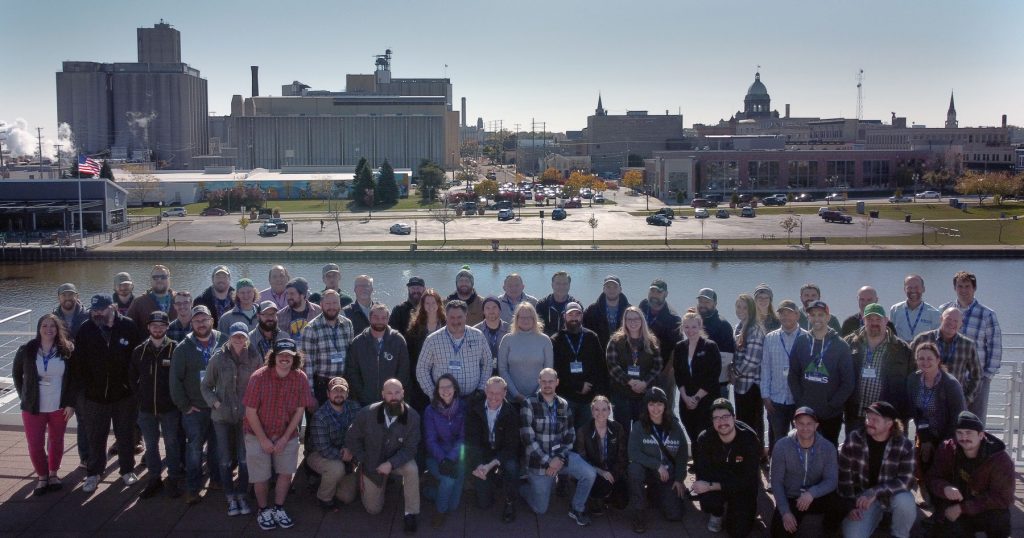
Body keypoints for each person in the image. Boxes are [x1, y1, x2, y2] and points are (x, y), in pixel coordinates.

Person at [242, 338, 316, 531]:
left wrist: (284, 438)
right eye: (281, 355)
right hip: (257, 433)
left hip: (286, 433)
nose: (285, 359)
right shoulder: (258, 377)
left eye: (289, 356)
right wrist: (263, 440)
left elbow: (300, 410)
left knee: (285, 473)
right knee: (261, 476)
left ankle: (278, 507)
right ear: (273, 357)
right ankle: (263, 509)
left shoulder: (300, 377)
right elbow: (250, 412)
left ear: (295, 358)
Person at [72, 293, 142, 493]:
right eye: (94, 310)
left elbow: (136, 359)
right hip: (95, 397)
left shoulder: (128, 326)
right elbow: (79, 363)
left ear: (112, 307)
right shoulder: (86, 329)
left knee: (126, 436)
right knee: (95, 437)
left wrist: (132, 386)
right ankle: (93, 473)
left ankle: (127, 470)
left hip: (124, 395)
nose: (97, 313)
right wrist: (86, 389)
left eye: (101, 309)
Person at [519, 368, 596, 526]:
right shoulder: (528, 404)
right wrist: (549, 461)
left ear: (557, 382)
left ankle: (577, 508)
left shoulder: (563, 404)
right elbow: (528, 440)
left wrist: (559, 458)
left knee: (589, 473)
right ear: (539, 382)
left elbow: (570, 435)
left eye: (551, 381)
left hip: (561, 459)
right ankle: (524, 487)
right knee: (540, 509)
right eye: (544, 381)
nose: (547, 385)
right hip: (539, 463)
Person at [202, 322, 263, 517]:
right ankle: (230, 496)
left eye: (242, 336)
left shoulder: (254, 357)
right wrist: (216, 403)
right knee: (225, 459)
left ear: (247, 338)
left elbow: (260, 385)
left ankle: (242, 494)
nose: (239, 339)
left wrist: (255, 408)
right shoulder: (218, 358)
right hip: (222, 417)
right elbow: (206, 386)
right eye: (235, 336)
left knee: (244, 459)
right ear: (229, 337)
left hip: (245, 417)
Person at [346, 378, 422, 534]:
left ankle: (411, 513)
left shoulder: (413, 417)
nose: (393, 396)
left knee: (412, 469)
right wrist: (363, 458)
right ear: (383, 394)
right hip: (372, 464)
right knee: (373, 509)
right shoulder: (367, 413)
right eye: (389, 393)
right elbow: (351, 438)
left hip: (396, 462)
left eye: (397, 392)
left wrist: (391, 464)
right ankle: (366, 477)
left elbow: (410, 449)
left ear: (403, 393)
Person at [13, 313, 76, 496]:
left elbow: (73, 379)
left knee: (56, 442)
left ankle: (54, 474)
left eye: (52, 326)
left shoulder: (67, 350)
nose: (49, 329)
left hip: (59, 406)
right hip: (33, 407)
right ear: (39, 329)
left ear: (58, 330)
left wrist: (70, 403)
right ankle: (42, 476)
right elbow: (17, 374)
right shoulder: (27, 349)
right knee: (35, 444)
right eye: (44, 326)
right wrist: (24, 395)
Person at [170, 304, 227, 504]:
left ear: (212, 320)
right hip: (195, 409)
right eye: (197, 320)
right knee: (194, 449)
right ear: (191, 323)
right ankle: (192, 488)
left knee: (216, 447)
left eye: (204, 320)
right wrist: (185, 406)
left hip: (219, 407)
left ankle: (216, 481)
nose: (201, 324)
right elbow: (175, 381)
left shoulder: (224, 341)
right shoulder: (183, 348)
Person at [926, 411, 1014, 538]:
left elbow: (1003, 497)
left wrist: (963, 507)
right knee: (948, 531)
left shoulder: (999, 459)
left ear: (981, 435)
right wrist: (944, 488)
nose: (964, 437)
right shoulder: (947, 450)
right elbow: (932, 478)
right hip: (954, 508)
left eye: (969, 432)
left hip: (985, 509)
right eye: (959, 433)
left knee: (1000, 520)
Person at [838, 401, 917, 538]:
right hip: (863, 497)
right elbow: (845, 476)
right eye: (868, 417)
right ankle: (878, 517)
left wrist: (876, 491)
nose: (869, 422)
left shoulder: (904, 445)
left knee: (906, 502)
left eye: (875, 419)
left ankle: (899, 534)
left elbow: (907, 481)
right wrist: (850, 505)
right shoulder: (854, 439)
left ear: (889, 424)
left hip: (891, 495)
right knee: (852, 535)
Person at [130, 311, 184, 500]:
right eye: (154, 325)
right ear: (148, 327)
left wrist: (177, 401)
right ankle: (154, 479)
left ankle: (173, 479)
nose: (158, 329)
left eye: (162, 326)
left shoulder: (175, 349)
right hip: (146, 410)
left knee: (172, 444)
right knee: (151, 446)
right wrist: (139, 399)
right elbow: (131, 378)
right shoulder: (139, 351)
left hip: (169, 409)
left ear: (167, 327)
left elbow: (182, 378)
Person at [768, 406, 845, 537]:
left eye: (809, 423)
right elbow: (776, 482)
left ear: (816, 426)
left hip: (816, 495)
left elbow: (831, 480)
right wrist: (785, 512)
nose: (805, 428)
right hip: (792, 497)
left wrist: (812, 493)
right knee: (778, 532)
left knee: (840, 504)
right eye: (801, 423)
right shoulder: (781, 446)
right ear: (794, 424)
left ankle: (828, 531)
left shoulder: (828, 447)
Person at [690, 398, 761, 537]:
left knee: (738, 531)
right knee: (707, 499)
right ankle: (717, 512)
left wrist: (712, 485)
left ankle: (737, 510)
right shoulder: (704, 439)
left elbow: (747, 480)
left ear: (734, 418)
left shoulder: (750, 440)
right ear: (712, 421)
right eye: (716, 418)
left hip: (742, 487)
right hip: (719, 481)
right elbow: (703, 472)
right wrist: (708, 486)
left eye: (725, 416)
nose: (721, 422)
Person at [788, 300, 854, 447]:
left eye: (821, 315)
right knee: (802, 448)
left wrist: (832, 405)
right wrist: (800, 401)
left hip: (830, 414)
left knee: (829, 449)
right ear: (808, 318)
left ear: (828, 317)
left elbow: (848, 383)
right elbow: (793, 375)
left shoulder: (841, 346)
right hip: (805, 413)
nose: (817, 319)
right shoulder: (801, 342)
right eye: (813, 315)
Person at [939, 271, 1001, 423]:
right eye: (960, 286)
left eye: (967, 286)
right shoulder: (944, 310)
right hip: (948, 376)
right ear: (955, 288)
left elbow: (995, 347)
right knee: (946, 418)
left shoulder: (987, 314)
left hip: (977, 378)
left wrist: (987, 376)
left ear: (974, 288)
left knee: (975, 421)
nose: (964, 290)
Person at [843, 303, 914, 434]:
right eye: (870, 319)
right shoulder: (849, 343)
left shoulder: (902, 349)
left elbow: (911, 385)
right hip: (856, 416)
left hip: (887, 418)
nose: (874, 323)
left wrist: (904, 414)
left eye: (878, 319)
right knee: (856, 453)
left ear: (886, 321)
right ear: (863, 320)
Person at [626, 388, 687, 533]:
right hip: (648, 471)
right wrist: (657, 465)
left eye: (660, 404)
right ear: (646, 406)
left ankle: (655, 493)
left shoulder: (675, 426)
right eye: (651, 404)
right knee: (634, 469)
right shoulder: (639, 426)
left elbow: (682, 455)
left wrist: (679, 479)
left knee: (675, 515)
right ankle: (638, 512)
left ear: (665, 405)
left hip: (668, 474)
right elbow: (632, 453)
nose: (655, 408)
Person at [907, 342, 965, 481]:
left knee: (941, 466)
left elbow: (957, 419)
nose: (925, 362)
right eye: (921, 358)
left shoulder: (950, 384)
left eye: (929, 358)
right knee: (921, 463)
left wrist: (941, 445)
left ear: (938, 360)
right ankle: (923, 488)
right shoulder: (913, 380)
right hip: (925, 431)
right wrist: (926, 439)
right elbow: (917, 414)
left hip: (949, 434)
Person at [465, 377, 520, 522]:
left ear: (505, 393)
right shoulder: (474, 409)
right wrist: (479, 465)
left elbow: (511, 445)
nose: (494, 397)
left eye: (498, 393)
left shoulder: (512, 413)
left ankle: (510, 501)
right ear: (485, 391)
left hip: (503, 453)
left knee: (512, 467)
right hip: (483, 452)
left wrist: (491, 464)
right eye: (490, 393)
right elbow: (472, 441)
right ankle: (491, 479)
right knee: (484, 504)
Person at [416, 300, 491, 399]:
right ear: (446, 316)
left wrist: (481, 389)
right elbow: (422, 369)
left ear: (466, 315)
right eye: (452, 317)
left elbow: (487, 363)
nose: (456, 321)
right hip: (444, 400)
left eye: (459, 317)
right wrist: (433, 394)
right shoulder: (432, 340)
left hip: (473, 398)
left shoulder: (478, 336)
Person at [305, 377, 361, 511]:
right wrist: (345, 456)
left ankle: (326, 482)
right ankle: (324, 498)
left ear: (347, 394)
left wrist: (351, 452)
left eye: (343, 391)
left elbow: (361, 435)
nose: (339, 394)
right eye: (335, 391)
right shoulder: (320, 416)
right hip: (318, 454)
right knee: (336, 468)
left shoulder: (355, 408)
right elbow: (324, 449)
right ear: (328, 394)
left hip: (347, 454)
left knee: (346, 497)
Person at [910, 307, 982, 407]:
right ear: (941, 319)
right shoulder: (923, 339)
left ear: (961, 324)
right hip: (925, 400)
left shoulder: (968, 345)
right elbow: (909, 366)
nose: (952, 323)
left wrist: (966, 400)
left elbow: (977, 375)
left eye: (956, 321)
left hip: (954, 401)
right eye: (948, 319)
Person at [552, 301, 607, 429]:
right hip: (565, 398)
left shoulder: (591, 337)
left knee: (586, 435)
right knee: (564, 433)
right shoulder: (556, 340)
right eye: (570, 315)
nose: (574, 318)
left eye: (577, 314)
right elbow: (556, 371)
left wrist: (591, 387)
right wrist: (577, 386)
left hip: (588, 398)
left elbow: (600, 367)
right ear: (564, 316)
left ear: (582, 316)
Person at [606, 306, 662, 430]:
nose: (633, 322)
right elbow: (612, 366)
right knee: (622, 431)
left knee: (642, 431)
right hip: (621, 396)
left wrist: (644, 383)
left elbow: (657, 366)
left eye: (636, 319)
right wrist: (630, 382)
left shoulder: (652, 342)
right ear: (624, 321)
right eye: (629, 319)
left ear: (642, 320)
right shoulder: (615, 341)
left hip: (644, 396)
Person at [761, 299, 807, 450]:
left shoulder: (807, 338)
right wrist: (765, 396)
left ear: (797, 315)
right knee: (778, 439)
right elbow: (765, 368)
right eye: (782, 313)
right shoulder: (770, 338)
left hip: (798, 399)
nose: (786, 317)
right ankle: (776, 469)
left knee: (801, 437)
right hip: (776, 399)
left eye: (789, 313)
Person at [423, 374, 467, 528]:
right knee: (448, 480)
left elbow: (463, 438)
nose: (446, 390)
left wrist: (451, 458)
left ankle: (429, 491)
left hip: (458, 456)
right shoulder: (430, 410)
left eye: (449, 386)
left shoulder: (463, 407)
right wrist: (443, 459)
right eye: (442, 387)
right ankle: (439, 513)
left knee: (453, 506)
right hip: (436, 456)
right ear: (437, 390)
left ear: (455, 388)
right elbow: (430, 440)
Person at [346, 303, 410, 406]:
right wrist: (362, 394)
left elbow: (403, 371)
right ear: (370, 318)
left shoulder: (398, 341)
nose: (380, 321)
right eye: (376, 317)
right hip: (365, 402)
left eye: (383, 318)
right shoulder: (358, 342)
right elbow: (352, 371)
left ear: (388, 319)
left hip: (391, 400)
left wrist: (394, 393)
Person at [299, 290, 354, 406]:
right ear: (321, 305)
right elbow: (308, 366)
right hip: (321, 385)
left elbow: (351, 356)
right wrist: (310, 395)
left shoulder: (347, 324)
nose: (331, 307)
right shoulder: (311, 328)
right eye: (328, 304)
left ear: (339, 304)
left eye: (335, 303)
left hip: (343, 384)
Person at [674, 311, 722, 443]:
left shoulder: (710, 346)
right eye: (687, 327)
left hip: (706, 399)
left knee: (705, 436)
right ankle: (696, 463)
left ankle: (705, 464)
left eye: (694, 327)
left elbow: (713, 376)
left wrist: (696, 398)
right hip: (686, 400)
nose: (690, 330)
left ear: (700, 327)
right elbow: (678, 375)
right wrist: (685, 397)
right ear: (682, 328)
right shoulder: (679, 347)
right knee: (692, 433)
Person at [575, 395, 628, 516]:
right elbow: (582, 459)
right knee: (597, 509)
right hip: (594, 471)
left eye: (604, 409)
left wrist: (614, 473)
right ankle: (593, 496)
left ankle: (608, 493)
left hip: (613, 470)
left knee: (621, 503)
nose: (600, 413)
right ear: (592, 411)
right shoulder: (583, 431)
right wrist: (600, 472)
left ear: (609, 410)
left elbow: (622, 456)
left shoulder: (617, 428)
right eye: (596, 409)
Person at [637, 279, 682, 408]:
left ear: (666, 294)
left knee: (664, 407)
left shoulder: (673, 318)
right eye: (652, 291)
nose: (654, 295)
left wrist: (666, 372)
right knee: (644, 406)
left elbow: (676, 350)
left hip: (664, 370)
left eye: (659, 292)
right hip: (643, 368)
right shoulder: (643, 306)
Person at [498, 302, 553, 404]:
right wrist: (516, 394)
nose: (525, 320)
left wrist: (536, 395)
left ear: (534, 319)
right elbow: (503, 369)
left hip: (539, 399)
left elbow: (548, 371)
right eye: (522, 317)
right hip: (511, 399)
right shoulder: (507, 339)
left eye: (529, 317)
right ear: (516, 319)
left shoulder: (545, 340)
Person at [731, 293, 766, 455]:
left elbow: (752, 360)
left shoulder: (755, 329)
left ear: (752, 310)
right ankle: (745, 456)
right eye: (738, 306)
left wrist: (735, 373)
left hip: (751, 386)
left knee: (753, 425)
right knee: (742, 422)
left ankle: (756, 457)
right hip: (740, 385)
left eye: (745, 307)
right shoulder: (739, 326)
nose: (741, 310)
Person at [405, 288, 445, 413]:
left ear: (439, 304)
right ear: (422, 305)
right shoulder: (415, 328)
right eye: (427, 303)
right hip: (420, 378)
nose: (430, 306)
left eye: (433, 303)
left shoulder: (446, 325)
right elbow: (411, 356)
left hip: (442, 375)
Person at [695, 288, 735, 398]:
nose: (703, 305)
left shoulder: (723, 325)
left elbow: (727, 358)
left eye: (707, 302)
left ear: (715, 304)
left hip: (718, 385)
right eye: (701, 301)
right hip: (697, 384)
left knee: (720, 415)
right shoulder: (694, 323)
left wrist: (700, 364)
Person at [582, 275, 631, 351]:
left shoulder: (630, 310)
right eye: (608, 287)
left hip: (623, 352)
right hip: (599, 352)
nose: (611, 290)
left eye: (615, 287)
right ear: (603, 289)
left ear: (620, 289)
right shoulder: (592, 310)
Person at [126, 265, 177, 339]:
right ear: (150, 279)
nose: (159, 280)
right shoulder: (138, 302)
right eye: (155, 277)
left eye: (163, 277)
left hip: (176, 348)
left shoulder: (181, 300)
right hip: (148, 348)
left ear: (169, 279)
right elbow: (128, 328)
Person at [889, 274, 941, 342]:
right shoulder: (895, 310)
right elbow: (890, 335)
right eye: (909, 288)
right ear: (904, 289)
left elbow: (938, 339)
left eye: (916, 287)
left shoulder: (934, 313)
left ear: (923, 289)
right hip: (901, 350)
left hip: (923, 350)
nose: (913, 290)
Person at [277, 277, 322, 346]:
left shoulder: (318, 311)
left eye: (292, 294)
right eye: (287, 294)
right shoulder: (280, 315)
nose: (288, 297)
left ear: (303, 295)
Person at [537, 271, 578, 336]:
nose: (561, 287)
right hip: (547, 342)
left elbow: (578, 329)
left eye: (565, 284)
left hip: (568, 342)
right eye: (558, 283)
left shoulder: (576, 306)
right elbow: (538, 329)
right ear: (552, 285)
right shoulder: (542, 305)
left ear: (569, 285)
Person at [474, 296, 509, 372]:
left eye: (494, 307)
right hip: (482, 372)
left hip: (505, 372)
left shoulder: (510, 330)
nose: (491, 311)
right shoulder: (475, 331)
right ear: (483, 311)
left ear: (500, 310)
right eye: (487, 308)